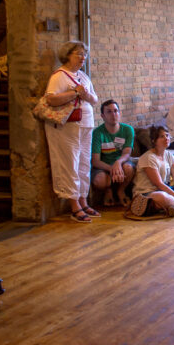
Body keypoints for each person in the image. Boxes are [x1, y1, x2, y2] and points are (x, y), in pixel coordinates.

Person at [43, 40, 101, 222]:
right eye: (78, 54)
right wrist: (75, 93)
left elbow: (94, 99)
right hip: (68, 126)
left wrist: (85, 94)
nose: (83, 58)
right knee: (70, 163)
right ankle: (74, 204)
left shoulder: (83, 76)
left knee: (84, 163)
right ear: (68, 55)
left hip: (85, 124)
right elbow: (51, 100)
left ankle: (83, 199)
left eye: (84, 54)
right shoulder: (59, 76)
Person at [128, 126, 174, 220]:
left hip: (165, 189)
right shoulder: (148, 158)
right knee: (166, 199)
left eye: (167, 135)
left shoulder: (169, 155)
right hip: (148, 193)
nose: (166, 138)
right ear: (154, 141)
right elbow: (158, 184)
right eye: (161, 136)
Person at [90, 99, 136, 208]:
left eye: (115, 111)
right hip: (103, 166)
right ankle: (108, 190)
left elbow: (126, 153)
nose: (113, 114)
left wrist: (117, 163)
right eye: (109, 112)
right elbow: (95, 161)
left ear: (119, 113)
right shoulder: (97, 133)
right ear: (102, 116)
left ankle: (121, 191)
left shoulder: (128, 130)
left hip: (121, 163)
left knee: (129, 169)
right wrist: (112, 169)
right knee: (99, 181)